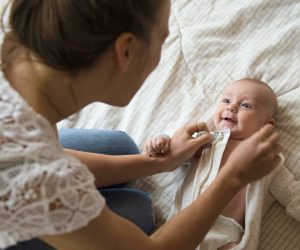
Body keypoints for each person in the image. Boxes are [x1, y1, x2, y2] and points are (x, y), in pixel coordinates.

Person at [0, 0, 281, 249]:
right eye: (162, 38)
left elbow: (55, 158)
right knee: (136, 212)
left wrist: (159, 162)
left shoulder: (19, 84)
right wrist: (232, 177)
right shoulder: (28, 167)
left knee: (120, 149)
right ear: (126, 50)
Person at [145, 78, 300, 250]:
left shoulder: (266, 159)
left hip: (223, 235)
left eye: (246, 105)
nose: (231, 107)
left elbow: (292, 194)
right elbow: (175, 151)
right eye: (226, 100)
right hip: (181, 221)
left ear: (267, 125)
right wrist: (162, 141)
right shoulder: (206, 140)